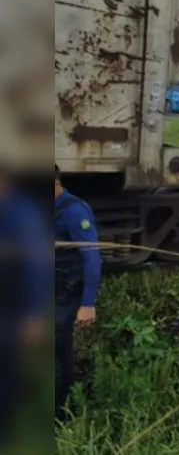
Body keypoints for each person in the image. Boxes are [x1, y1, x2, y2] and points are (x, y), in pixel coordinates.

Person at [0, 168, 50, 445]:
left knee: (7, 369)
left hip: (12, 308)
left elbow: (37, 266)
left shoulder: (21, 216)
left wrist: (33, 314)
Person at [54, 164, 102, 423]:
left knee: (57, 353)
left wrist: (87, 303)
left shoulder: (73, 211)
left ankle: (61, 415)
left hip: (64, 291)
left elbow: (91, 256)